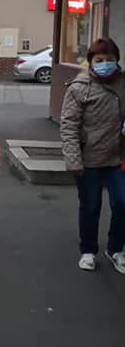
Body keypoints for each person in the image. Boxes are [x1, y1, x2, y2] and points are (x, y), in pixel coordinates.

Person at [60, 37, 125, 273]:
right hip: (89, 159)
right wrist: (73, 159)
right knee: (91, 206)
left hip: (117, 158)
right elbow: (68, 125)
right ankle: (88, 250)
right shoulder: (79, 87)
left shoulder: (122, 83)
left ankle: (116, 248)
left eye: (110, 60)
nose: (105, 64)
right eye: (99, 60)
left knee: (123, 203)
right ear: (90, 62)